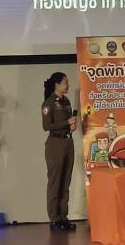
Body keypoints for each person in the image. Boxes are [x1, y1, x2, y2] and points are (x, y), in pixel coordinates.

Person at [41, 72, 76, 232]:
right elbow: (46, 126)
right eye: (65, 82)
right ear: (57, 84)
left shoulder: (66, 101)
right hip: (55, 143)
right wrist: (66, 122)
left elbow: (68, 122)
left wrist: (71, 126)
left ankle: (63, 217)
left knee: (65, 182)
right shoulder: (49, 103)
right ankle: (54, 218)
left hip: (68, 142)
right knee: (55, 183)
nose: (67, 85)